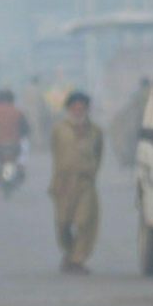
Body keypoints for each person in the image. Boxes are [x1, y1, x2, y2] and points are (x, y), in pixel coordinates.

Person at [50, 91, 105, 274]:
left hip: (85, 183)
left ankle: (77, 260)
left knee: (84, 222)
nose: (78, 111)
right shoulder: (59, 129)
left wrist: (91, 173)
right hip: (63, 183)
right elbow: (56, 154)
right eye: (75, 107)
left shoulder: (96, 131)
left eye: (82, 108)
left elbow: (98, 155)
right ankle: (69, 252)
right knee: (63, 223)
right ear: (69, 108)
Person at [0, 88, 30, 164]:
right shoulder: (17, 112)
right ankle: (21, 164)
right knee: (25, 146)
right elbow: (25, 129)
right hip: (14, 143)